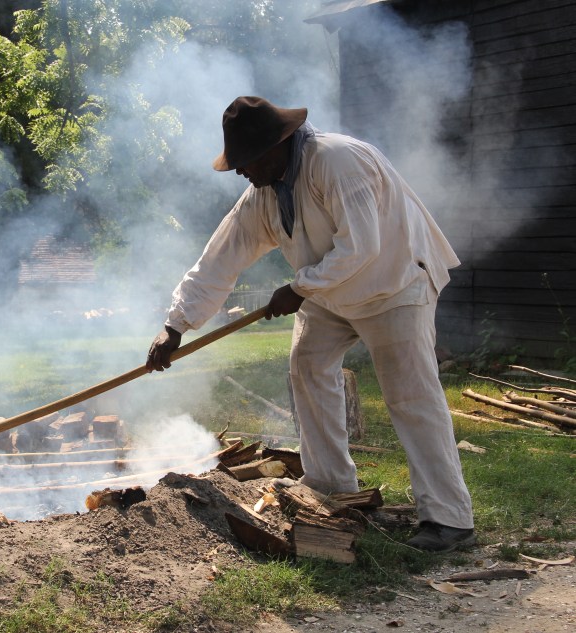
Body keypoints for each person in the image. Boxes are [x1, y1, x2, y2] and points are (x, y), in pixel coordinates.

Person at [146, 97, 475, 552]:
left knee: (410, 394)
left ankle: (449, 519)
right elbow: (221, 256)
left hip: (394, 284)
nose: (240, 171)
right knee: (307, 365)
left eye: (244, 162)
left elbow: (362, 246)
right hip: (329, 293)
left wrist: (299, 288)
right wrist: (176, 325)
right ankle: (332, 486)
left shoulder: (337, 161)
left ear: (274, 149)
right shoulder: (263, 195)